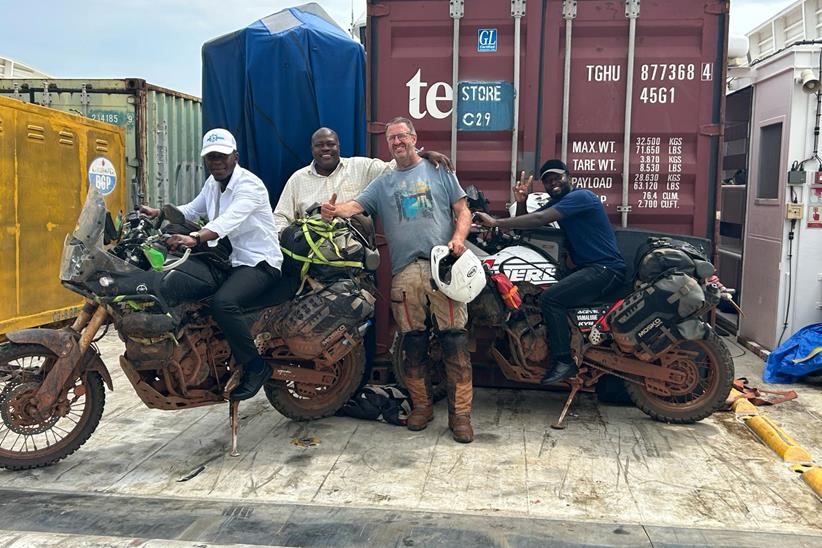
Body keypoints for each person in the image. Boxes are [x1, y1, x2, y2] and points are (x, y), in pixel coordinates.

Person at [320, 117, 475, 443]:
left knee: (455, 342)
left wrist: (459, 239)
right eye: (392, 139)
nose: (397, 142)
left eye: (402, 136)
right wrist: (334, 211)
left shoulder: (439, 170)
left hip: (443, 268)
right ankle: (421, 407)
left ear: (414, 138)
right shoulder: (384, 181)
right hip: (405, 273)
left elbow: (463, 211)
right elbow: (356, 206)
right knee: (413, 345)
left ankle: (460, 417)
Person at [140, 128, 283, 401]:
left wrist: (194, 237)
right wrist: (159, 213)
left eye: (221, 156)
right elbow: (193, 209)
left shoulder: (249, 185)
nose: (216, 162)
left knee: (223, 303)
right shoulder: (213, 183)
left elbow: (227, 221)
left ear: (235, 156)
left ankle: (256, 367)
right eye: (210, 157)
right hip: (230, 260)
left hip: (260, 262)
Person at [474, 159, 626, 384]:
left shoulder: (580, 197)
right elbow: (529, 225)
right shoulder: (561, 202)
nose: (553, 182)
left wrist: (495, 221)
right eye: (547, 180)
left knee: (550, 299)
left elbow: (540, 218)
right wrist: (522, 202)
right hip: (589, 269)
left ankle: (564, 361)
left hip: (604, 269)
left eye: (557, 177)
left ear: (569, 177)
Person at [274, 127, 452, 233]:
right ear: (312, 149)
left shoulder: (360, 167)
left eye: (330, 144)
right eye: (320, 145)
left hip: (354, 265)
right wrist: (291, 239)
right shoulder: (297, 180)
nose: (326, 149)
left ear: (339, 147)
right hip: (311, 265)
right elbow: (280, 218)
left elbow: (393, 168)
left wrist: (422, 156)